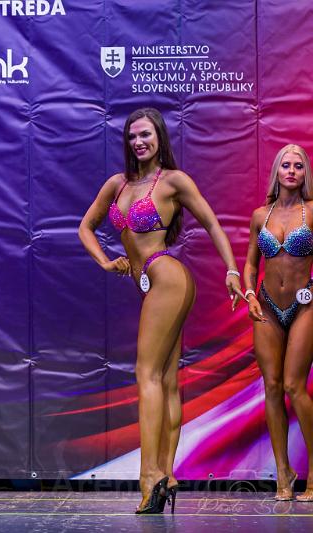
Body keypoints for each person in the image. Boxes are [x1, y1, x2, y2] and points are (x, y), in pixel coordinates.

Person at [78, 108, 242, 513]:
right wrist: (105, 262)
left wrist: (233, 270)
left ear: (160, 138)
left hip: (167, 276)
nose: (139, 142)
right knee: (165, 381)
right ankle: (167, 475)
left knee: (146, 374)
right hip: (150, 283)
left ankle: (149, 476)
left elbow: (212, 224)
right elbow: (85, 227)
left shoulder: (173, 181)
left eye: (146, 135)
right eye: (133, 136)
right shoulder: (117, 184)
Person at [242, 144, 313, 502]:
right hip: (267, 305)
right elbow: (250, 264)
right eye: (286, 165)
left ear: (305, 173)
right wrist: (249, 294)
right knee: (271, 386)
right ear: (277, 171)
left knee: (293, 386)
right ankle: (283, 473)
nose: (291, 171)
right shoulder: (261, 215)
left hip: (305, 305)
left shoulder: (312, 212)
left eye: (298, 166)